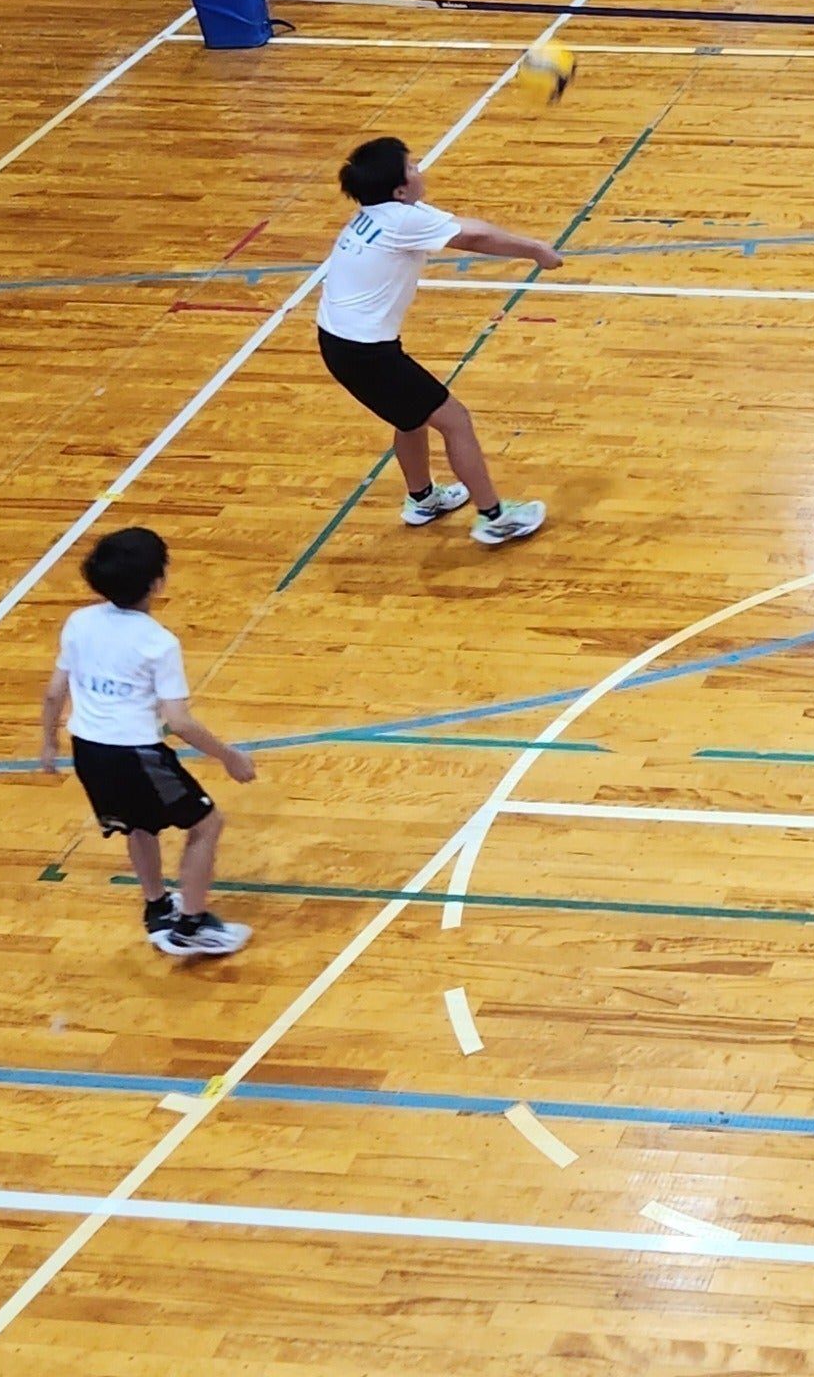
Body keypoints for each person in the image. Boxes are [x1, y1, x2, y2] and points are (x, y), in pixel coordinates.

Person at [316, 136, 559, 544]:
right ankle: (494, 517)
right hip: (363, 352)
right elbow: (475, 239)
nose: (419, 170)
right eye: (411, 167)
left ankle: (423, 499)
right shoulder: (401, 221)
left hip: (343, 342)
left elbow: (468, 227)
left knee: (411, 418)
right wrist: (536, 249)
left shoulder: (387, 211)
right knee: (454, 420)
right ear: (399, 190)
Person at [40, 528, 257, 956]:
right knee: (207, 825)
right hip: (137, 754)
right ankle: (192, 924)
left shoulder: (79, 622)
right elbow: (179, 722)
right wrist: (228, 756)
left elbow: (53, 692)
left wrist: (49, 743)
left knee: (137, 824)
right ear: (157, 583)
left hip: (88, 750)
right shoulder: (158, 643)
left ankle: (157, 908)